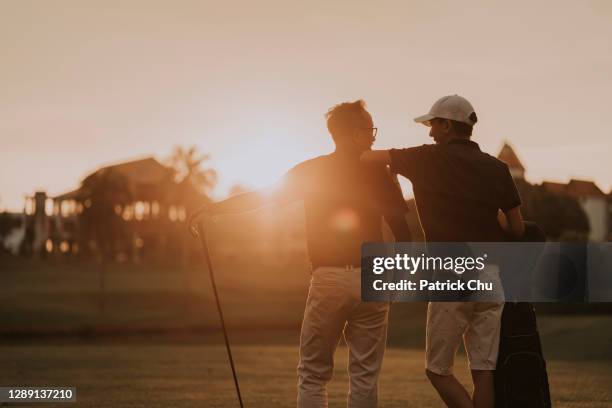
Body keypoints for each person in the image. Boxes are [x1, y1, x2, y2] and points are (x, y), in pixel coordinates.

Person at [189, 100, 412, 408]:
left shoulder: (313, 170)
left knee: (313, 372)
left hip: (330, 276)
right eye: (369, 130)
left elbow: (263, 196)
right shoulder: (379, 172)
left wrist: (214, 209)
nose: (374, 137)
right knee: (365, 375)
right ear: (352, 133)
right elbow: (403, 233)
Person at [361, 95, 525, 408]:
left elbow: (368, 158)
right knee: (484, 371)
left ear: (448, 125)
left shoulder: (426, 158)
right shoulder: (498, 168)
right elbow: (516, 229)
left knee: (437, 370)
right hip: (490, 277)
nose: (430, 133)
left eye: (433, 125)